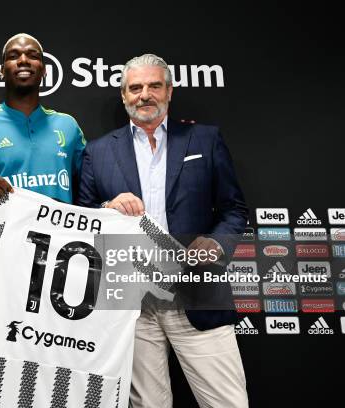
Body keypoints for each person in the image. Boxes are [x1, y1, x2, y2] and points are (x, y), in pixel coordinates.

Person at [78, 54, 249, 408]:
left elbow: (235, 210)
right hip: (132, 305)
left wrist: (216, 245)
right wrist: (106, 210)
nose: (145, 95)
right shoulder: (97, 152)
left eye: (154, 85)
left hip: (198, 294)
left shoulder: (205, 139)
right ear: (124, 96)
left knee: (228, 403)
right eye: (135, 88)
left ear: (169, 91)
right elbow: (83, 222)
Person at [0, 33, 86, 302]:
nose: (23, 60)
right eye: (13, 56)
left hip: (61, 269)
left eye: (33, 55)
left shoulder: (68, 127)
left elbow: (87, 194)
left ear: (44, 70)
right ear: (1, 71)